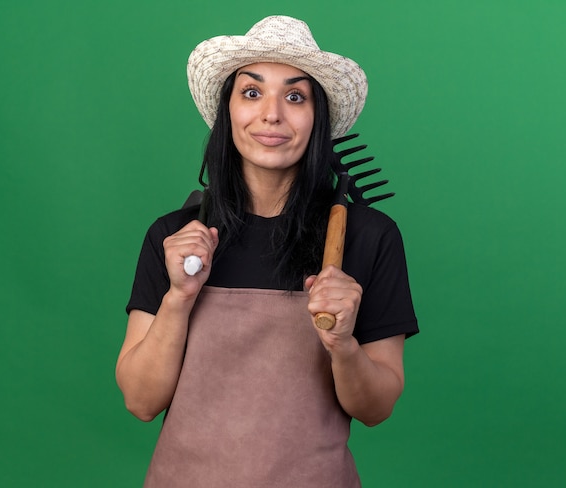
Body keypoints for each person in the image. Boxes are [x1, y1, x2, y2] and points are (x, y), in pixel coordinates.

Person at [116, 15, 419, 487]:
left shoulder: (367, 237)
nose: (272, 114)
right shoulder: (176, 237)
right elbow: (140, 401)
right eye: (252, 92)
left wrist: (342, 344)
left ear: (318, 117)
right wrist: (178, 297)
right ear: (227, 111)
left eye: (295, 96)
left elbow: (377, 408)